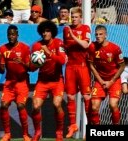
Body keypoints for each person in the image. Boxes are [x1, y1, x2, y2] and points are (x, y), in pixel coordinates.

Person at [30, 20, 67, 141]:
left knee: (57, 104)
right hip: (42, 81)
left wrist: (49, 53)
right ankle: (37, 132)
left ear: (52, 32)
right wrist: (36, 63)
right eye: (43, 31)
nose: (45, 33)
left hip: (57, 80)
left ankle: (59, 132)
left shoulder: (58, 43)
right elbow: (32, 68)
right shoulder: (36, 46)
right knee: (35, 106)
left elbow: (62, 61)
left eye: (48, 31)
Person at [0, 25, 31, 141]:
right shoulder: (2, 49)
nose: (11, 37)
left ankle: (25, 134)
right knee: (3, 105)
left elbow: (30, 68)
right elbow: (2, 70)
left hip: (22, 82)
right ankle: (7, 134)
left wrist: (22, 62)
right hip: (9, 82)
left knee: (21, 105)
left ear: (17, 35)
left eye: (13, 34)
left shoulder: (25, 48)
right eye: (9, 34)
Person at [63, 7, 92, 138]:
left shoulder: (85, 28)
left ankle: (90, 127)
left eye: (76, 17)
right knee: (70, 96)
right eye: (72, 17)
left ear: (80, 17)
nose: (73, 19)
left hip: (82, 66)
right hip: (70, 67)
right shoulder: (65, 29)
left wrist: (73, 36)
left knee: (87, 97)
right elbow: (65, 47)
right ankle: (73, 125)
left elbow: (86, 45)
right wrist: (64, 55)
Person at [88, 25, 125, 125]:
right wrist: (100, 81)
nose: (98, 36)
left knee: (113, 105)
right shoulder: (92, 47)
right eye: (96, 35)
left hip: (114, 80)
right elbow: (91, 65)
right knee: (94, 106)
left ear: (106, 35)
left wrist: (111, 81)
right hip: (100, 80)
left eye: (101, 34)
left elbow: (122, 66)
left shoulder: (115, 48)